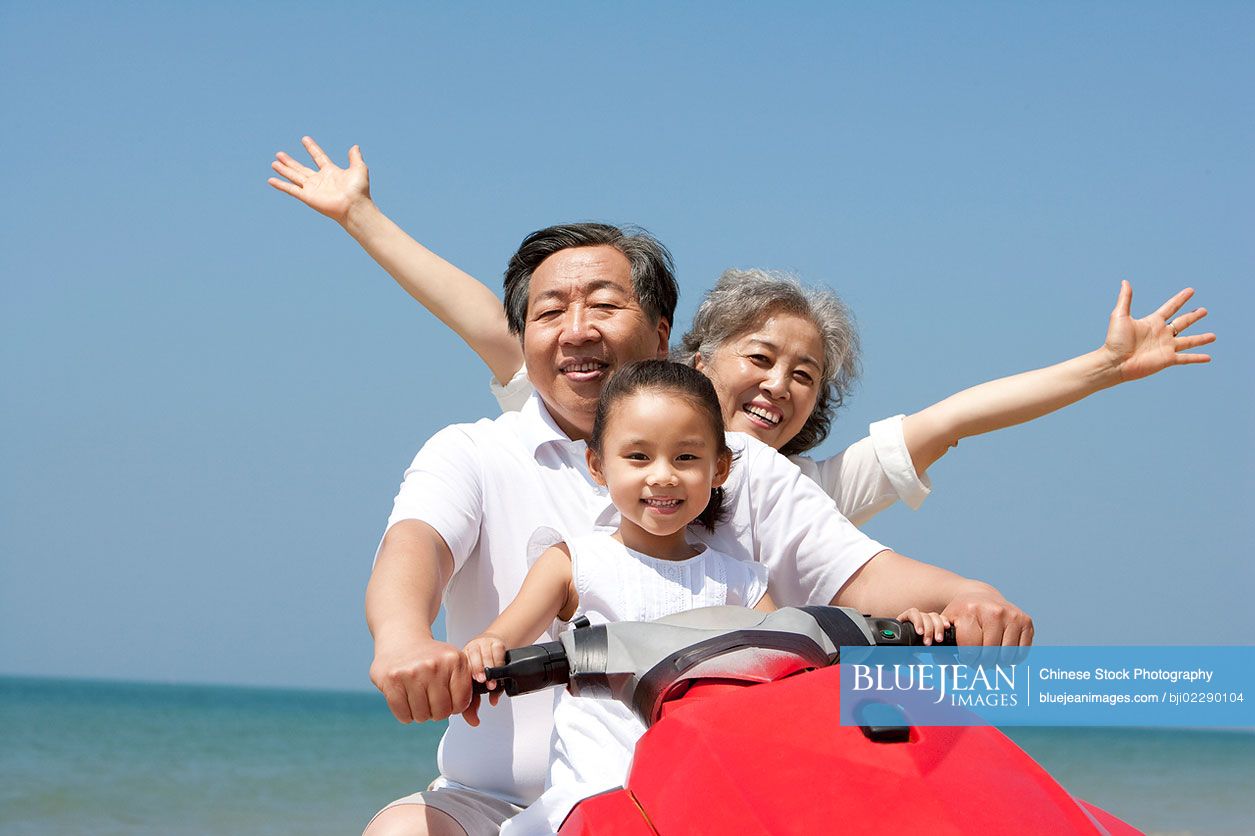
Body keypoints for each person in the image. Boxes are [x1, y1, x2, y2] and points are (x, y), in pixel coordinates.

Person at [354, 218, 1029, 836]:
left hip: (708, 796)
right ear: (525, 336)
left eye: (604, 304)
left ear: (658, 331)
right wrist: (405, 641)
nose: (576, 329)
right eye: (549, 311)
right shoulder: (473, 452)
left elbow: (862, 573)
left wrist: (968, 596)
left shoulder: (746, 469)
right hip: (496, 803)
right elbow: (414, 547)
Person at [268, 138, 1216, 528]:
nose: (777, 386)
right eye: (758, 359)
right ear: (689, 359)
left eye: (804, 376)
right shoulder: (594, 433)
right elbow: (493, 323)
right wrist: (359, 216)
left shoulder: (811, 495)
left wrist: (1099, 365)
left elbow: (956, 416)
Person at [461, 359, 950, 834]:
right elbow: (502, 638)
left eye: (686, 457)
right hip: (600, 801)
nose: (663, 475)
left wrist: (899, 632)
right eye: (638, 456)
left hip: (707, 792)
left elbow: (795, 664)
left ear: (720, 468)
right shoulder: (574, 565)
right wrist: (484, 655)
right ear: (597, 464)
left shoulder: (739, 581)